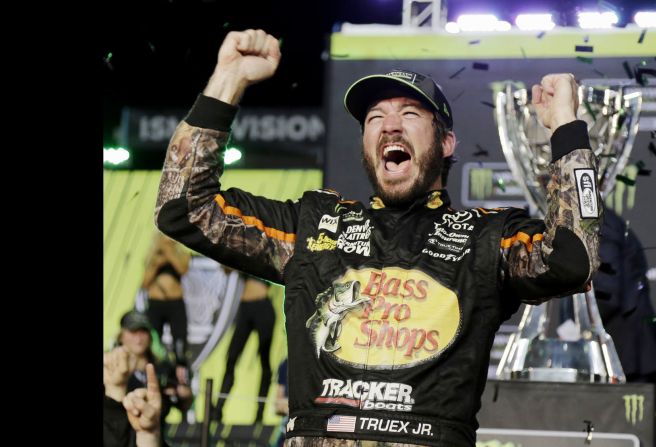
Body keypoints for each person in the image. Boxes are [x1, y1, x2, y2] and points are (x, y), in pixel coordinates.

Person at [154, 28, 602, 446]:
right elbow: (184, 210)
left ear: (446, 144)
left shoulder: (485, 237)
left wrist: (566, 127)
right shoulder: (312, 227)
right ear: (366, 142)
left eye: (409, 114)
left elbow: (572, 260)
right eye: (375, 117)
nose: (390, 126)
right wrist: (228, 79)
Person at [592, 208, 656, 385]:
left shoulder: (595, 220)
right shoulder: (596, 218)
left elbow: (608, 290)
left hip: (628, 352)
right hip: (627, 352)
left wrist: (579, 333)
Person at [105, 311, 193, 446]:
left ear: (150, 336)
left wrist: (185, 395)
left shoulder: (165, 368)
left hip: (154, 438)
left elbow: (183, 405)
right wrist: (116, 388)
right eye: (133, 332)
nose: (138, 338)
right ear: (121, 336)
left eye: (143, 332)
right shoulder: (109, 367)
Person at [213, 272, 276, 423]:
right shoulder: (247, 251)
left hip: (263, 306)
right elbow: (226, 269)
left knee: (264, 361)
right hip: (245, 308)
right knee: (231, 358)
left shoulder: (267, 251)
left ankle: (260, 414)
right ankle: (218, 410)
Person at [142, 233, 191, 371]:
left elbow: (182, 269)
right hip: (156, 303)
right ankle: (152, 369)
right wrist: (157, 261)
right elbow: (145, 283)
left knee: (180, 340)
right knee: (153, 338)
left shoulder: (182, 253)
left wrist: (168, 252)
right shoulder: (153, 256)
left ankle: (180, 374)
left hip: (175, 303)